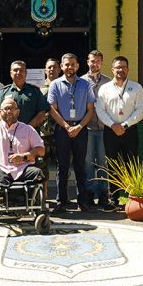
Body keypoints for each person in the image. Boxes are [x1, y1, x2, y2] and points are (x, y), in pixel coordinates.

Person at [48, 53, 96, 212]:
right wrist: (67, 127)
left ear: (77, 66)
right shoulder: (55, 84)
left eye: (73, 64)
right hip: (62, 129)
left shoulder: (86, 84)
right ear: (62, 67)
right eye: (67, 64)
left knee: (80, 166)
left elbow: (91, 110)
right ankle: (61, 201)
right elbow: (52, 109)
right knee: (62, 166)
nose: (70, 67)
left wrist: (79, 127)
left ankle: (83, 201)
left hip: (81, 129)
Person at [94, 56, 143, 203]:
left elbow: (141, 110)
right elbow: (100, 110)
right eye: (118, 67)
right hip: (110, 131)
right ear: (112, 69)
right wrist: (113, 125)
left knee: (132, 164)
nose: (120, 70)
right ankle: (114, 197)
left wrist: (125, 125)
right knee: (112, 165)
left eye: (123, 67)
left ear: (128, 69)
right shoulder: (104, 88)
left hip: (130, 131)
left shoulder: (136, 87)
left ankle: (133, 196)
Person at [0, 97, 46, 189]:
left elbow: (41, 150)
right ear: (0, 112)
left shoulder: (28, 129)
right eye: (6, 108)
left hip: (23, 168)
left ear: (18, 112)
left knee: (37, 173)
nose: (9, 111)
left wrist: (24, 157)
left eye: (12, 108)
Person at [83, 50, 113, 209]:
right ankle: (88, 193)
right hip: (87, 128)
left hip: (103, 127)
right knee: (87, 162)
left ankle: (103, 194)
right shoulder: (81, 81)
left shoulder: (108, 82)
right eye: (92, 61)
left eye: (98, 61)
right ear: (87, 62)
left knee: (103, 162)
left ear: (101, 62)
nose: (94, 64)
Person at [0, 61, 48, 129]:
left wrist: (27, 129)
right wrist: (8, 128)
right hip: (8, 132)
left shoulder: (35, 91)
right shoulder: (4, 92)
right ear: (11, 73)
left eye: (21, 70)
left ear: (26, 73)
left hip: (29, 133)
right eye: (15, 70)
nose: (18, 72)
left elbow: (42, 113)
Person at [39, 57, 61, 174]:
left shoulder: (65, 85)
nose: (52, 69)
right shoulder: (38, 86)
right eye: (49, 67)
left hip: (60, 129)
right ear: (45, 70)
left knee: (62, 164)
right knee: (42, 165)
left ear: (59, 69)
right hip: (43, 131)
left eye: (54, 67)